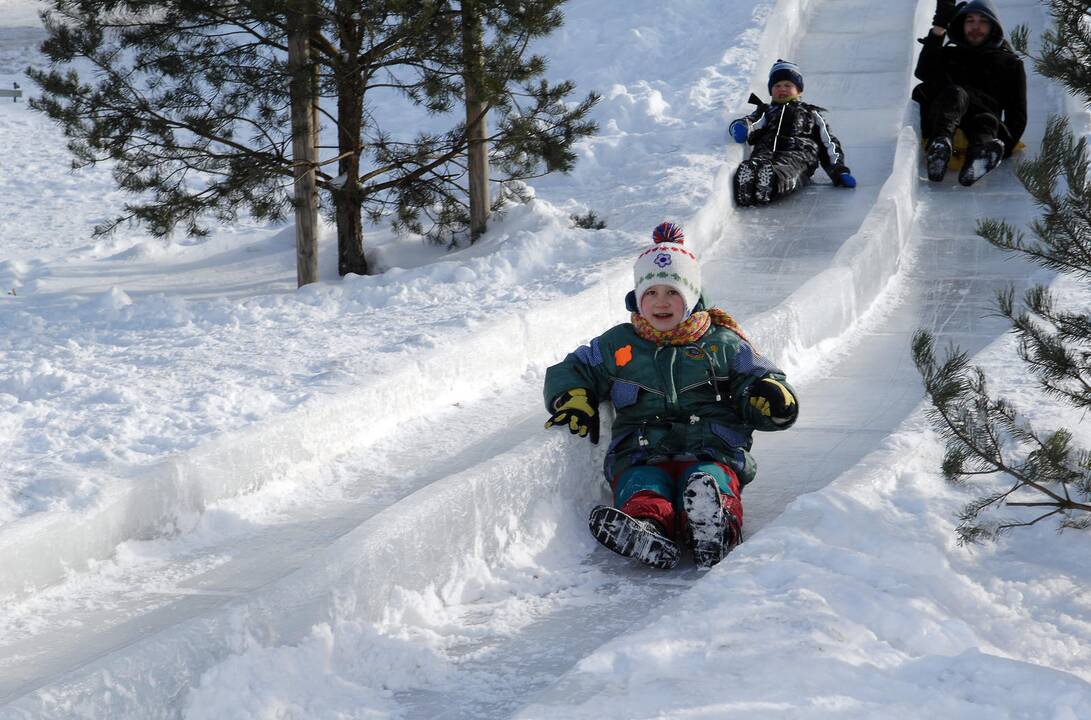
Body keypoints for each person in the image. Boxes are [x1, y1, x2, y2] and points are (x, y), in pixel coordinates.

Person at [543, 222, 799, 570]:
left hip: (712, 445)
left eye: (672, 293)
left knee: (709, 479)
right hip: (641, 449)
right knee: (642, 484)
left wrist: (768, 395)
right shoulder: (619, 344)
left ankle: (715, 525)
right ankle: (647, 528)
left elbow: (758, 376)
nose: (660, 303)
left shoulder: (721, 343)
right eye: (651, 293)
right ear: (637, 298)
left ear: (691, 296)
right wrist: (572, 397)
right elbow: (574, 367)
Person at [913, 0, 1027, 186]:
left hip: (984, 126)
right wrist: (939, 28)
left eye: (983, 21)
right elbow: (923, 73)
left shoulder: (1009, 64)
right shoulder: (950, 55)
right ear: (961, 25)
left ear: (993, 26)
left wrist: (1005, 147)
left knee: (986, 120)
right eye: (970, 21)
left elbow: (1018, 115)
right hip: (945, 121)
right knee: (956, 94)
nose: (976, 27)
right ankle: (940, 148)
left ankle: (979, 159)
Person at [728, 59, 855, 207]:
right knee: (758, 164)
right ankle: (749, 185)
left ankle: (770, 184)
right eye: (777, 85)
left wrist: (839, 171)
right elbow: (752, 123)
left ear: (799, 90)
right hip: (766, 150)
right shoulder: (766, 111)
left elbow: (829, 143)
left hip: (799, 155)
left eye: (788, 85)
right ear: (771, 90)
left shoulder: (810, 113)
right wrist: (741, 127)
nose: (782, 89)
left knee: (787, 172)